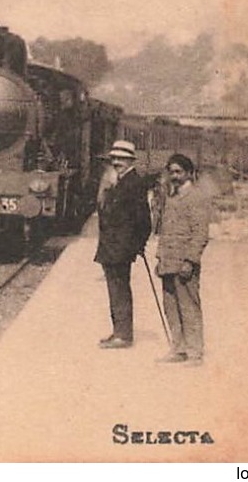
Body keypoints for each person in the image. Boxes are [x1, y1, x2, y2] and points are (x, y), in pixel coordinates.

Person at [93, 140, 152, 349]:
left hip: (120, 248)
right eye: (114, 159)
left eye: (120, 159)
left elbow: (144, 220)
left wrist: (136, 245)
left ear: (130, 161)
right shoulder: (118, 181)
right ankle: (118, 331)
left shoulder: (134, 183)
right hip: (111, 246)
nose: (116, 162)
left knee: (120, 290)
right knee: (115, 289)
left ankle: (124, 335)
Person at [154, 153, 210, 365]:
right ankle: (178, 349)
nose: (174, 176)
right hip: (168, 262)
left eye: (178, 172)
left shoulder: (196, 197)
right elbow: (165, 231)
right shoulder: (172, 197)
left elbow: (200, 234)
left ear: (188, 173)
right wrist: (160, 258)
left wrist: (190, 261)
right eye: (171, 172)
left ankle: (195, 353)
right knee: (171, 307)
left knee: (189, 307)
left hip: (185, 264)